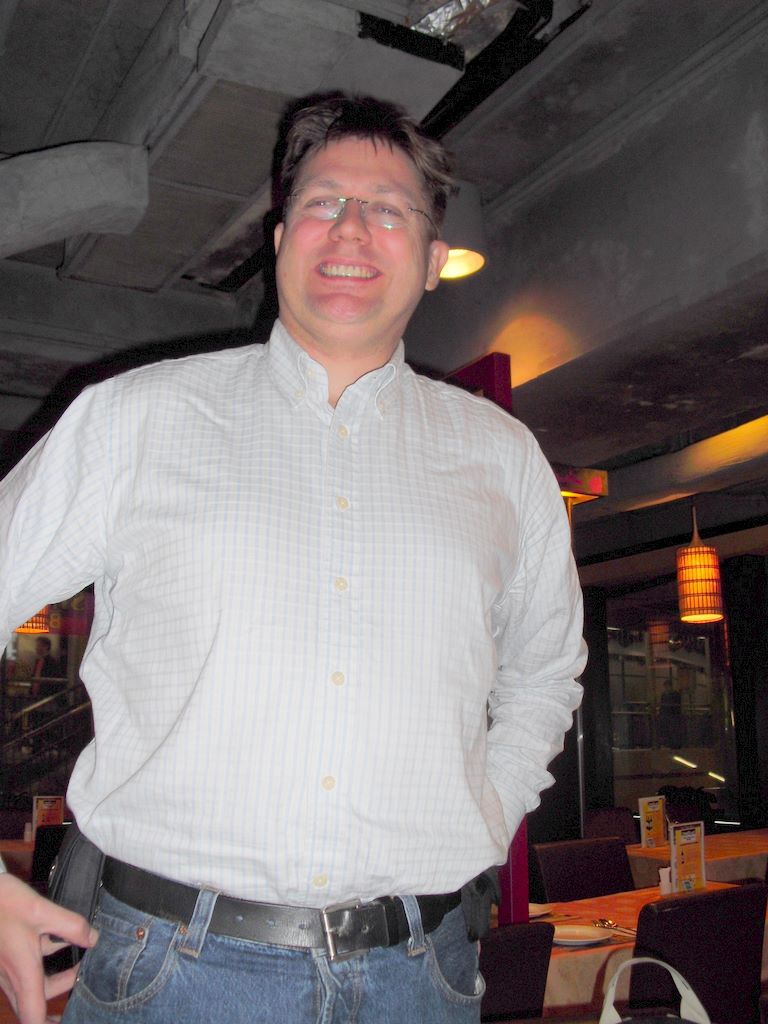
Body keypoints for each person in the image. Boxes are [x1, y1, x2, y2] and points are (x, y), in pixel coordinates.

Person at [0, 93, 587, 1024]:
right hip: (173, 976)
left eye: (388, 209)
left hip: (423, 975)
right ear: (279, 240)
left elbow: (546, 673)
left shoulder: (504, 459)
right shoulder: (133, 419)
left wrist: (488, 808)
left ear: (433, 259)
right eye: (322, 203)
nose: (351, 228)